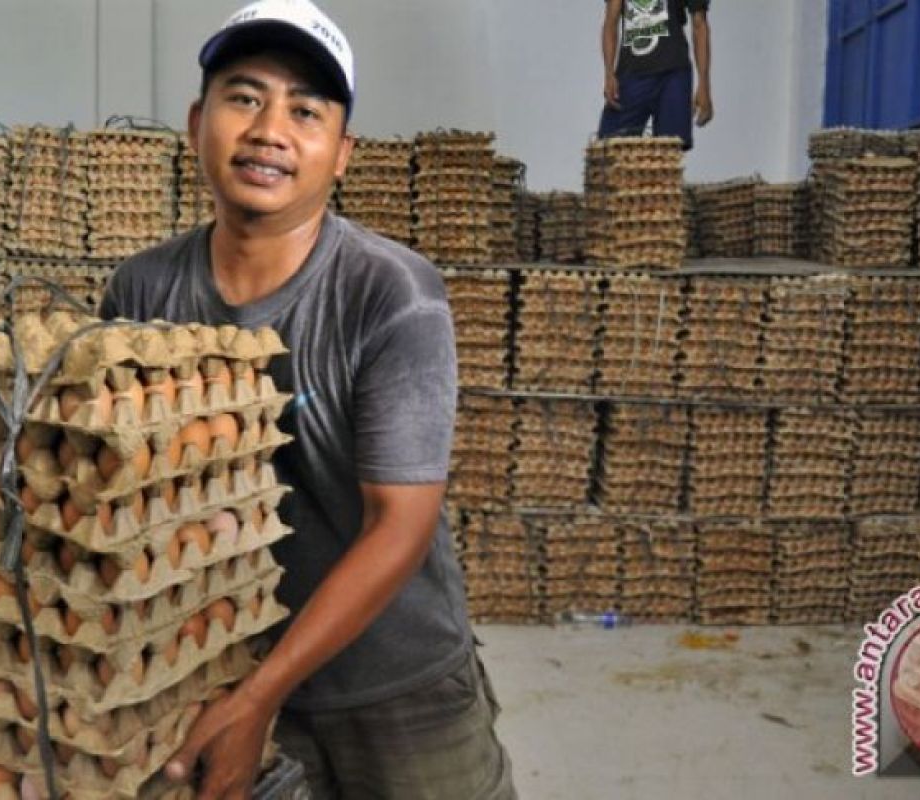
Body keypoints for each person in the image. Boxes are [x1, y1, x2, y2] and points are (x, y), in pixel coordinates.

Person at [97, 1, 516, 797]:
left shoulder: (389, 294)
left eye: (306, 110)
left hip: (393, 681)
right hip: (208, 669)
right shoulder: (142, 291)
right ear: (197, 122)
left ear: (342, 152)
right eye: (243, 97)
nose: (268, 130)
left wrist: (262, 696)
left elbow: (402, 521)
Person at [598, 0, 713, 146]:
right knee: (609, 149)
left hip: (673, 73)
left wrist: (704, 85)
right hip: (632, 74)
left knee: (667, 155)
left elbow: (699, 24)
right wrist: (609, 73)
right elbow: (610, 23)